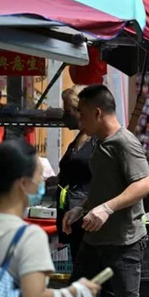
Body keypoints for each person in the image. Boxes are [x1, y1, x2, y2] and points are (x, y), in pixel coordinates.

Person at [64, 85, 149, 297]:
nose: (80, 122)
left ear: (97, 113)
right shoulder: (99, 142)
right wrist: (81, 209)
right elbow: (103, 187)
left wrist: (107, 208)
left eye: (82, 114)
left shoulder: (125, 142)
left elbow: (145, 184)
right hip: (94, 239)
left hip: (123, 243)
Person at [0, 140, 101, 297]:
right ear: (23, 184)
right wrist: (75, 292)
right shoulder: (28, 236)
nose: (43, 182)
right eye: (39, 176)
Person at [57, 85, 93, 263]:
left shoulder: (98, 140)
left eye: (68, 110)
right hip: (70, 211)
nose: (66, 114)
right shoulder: (78, 139)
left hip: (86, 213)